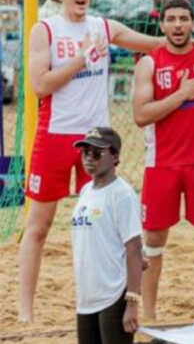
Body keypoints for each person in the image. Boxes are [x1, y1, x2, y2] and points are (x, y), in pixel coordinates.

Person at [19, 0, 194, 323]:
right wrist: (82, 59)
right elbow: (40, 86)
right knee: (39, 226)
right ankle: (26, 310)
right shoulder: (45, 29)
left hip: (96, 139)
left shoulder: (103, 26)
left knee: (104, 225)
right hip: (55, 135)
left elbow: (157, 41)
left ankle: (106, 301)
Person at [132, 0, 194, 321]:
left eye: (184, 19)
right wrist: (181, 94)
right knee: (154, 240)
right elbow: (140, 115)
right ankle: (149, 315)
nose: (178, 25)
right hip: (162, 164)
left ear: (193, 23)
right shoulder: (150, 63)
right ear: (162, 25)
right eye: (171, 19)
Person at [71, 127, 142, 344]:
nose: (89, 158)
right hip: (87, 294)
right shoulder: (85, 191)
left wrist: (131, 302)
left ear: (115, 157)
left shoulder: (121, 194)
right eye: (85, 152)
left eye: (97, 153)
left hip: (113, 293)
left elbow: (134, 247)